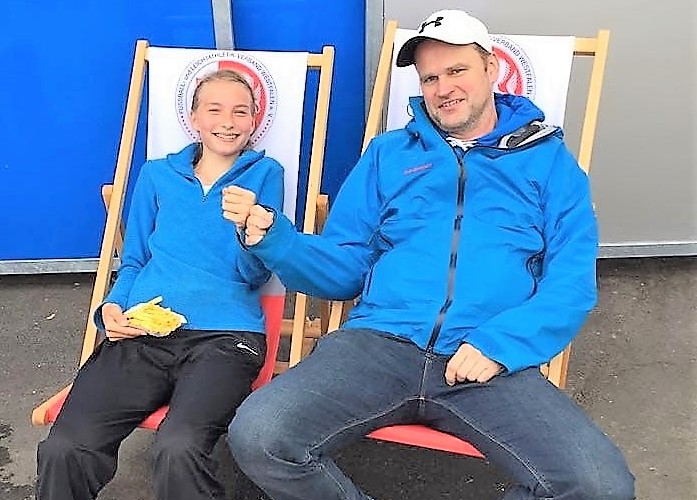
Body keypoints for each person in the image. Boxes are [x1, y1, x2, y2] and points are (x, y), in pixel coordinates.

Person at [226, 9, 635, 500]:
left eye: (457, 70)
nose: (444, 88)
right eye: (430, 78)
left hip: (484, 356)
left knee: (601, 486)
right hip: (378, 344)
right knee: (259, 436)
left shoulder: (551, 164)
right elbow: (345, 267)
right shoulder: (388, 154)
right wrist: (277, 240)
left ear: (491, 68)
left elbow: (571, 282)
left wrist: (500, 345)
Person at [36, 69, 284, 500]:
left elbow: (255, 274)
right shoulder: (156, 176)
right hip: (145, 330)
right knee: (66, 446)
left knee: (178, 446)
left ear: (254, 120)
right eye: (215, 109)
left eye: (241, 112)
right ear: (194, 118)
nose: (228, 122)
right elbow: (134, 260)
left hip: (226, 337)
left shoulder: (265, 175)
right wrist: (111, 308)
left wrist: (250, 232)